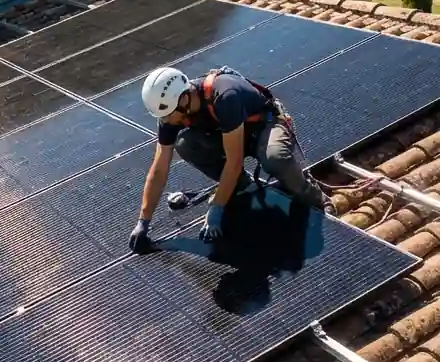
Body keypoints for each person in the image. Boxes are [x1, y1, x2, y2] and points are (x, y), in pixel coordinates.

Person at [128, 64, 334, 252]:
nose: (165, 121)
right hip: (230, 133)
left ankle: (317, 199)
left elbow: (234, 162)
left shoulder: (225, 95)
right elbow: (159, 168)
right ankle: (243, 186)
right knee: (186, 144)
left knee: (274, 158)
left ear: (183, 100)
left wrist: (217, 207)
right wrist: (143, 222)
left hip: (265, 126)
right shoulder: (171, 112)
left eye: (167, 115)